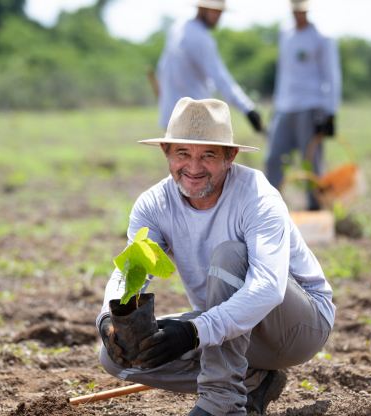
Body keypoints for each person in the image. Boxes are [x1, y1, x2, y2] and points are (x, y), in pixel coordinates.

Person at [97, 97, 335, 416]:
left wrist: (193, 332)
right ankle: (252, 381)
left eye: (208, 155)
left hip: (297, 328)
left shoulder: (257, 196)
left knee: (230, 255)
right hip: (233, 334)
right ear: (166, 153)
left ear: (230, 156)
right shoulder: (153, 205)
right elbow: (132, 272)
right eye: (183, 153)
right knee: (117, 356)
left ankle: (221, 399)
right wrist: (110, 319)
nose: (194, 168)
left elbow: (268, 288)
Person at [265, 0, 342, 211]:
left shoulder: (322, 37)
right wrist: (275, 108)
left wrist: (330, 113)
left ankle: (316, 207)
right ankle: (270, 210)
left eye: (302, 10)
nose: (298, 14)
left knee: (311, 163)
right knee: (273, 159)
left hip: (311, 107)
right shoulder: (285, 34)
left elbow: (332, 76)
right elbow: (283, 75)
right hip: (284, 108)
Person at [156, 0, 263, 134]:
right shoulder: (201, 38)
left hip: (171, 117)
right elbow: (220, 78)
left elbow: (162, 67)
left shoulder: (178, 27)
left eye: (220, 12)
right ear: (201, 8)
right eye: (216, 11)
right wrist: (247, 108)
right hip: (194, 119)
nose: (219, 17)